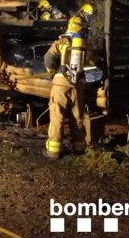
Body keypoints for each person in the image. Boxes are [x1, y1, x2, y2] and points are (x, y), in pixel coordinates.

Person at [43, 15, 88, 158]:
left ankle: (54, 150)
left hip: (60, 84)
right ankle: (79, 147)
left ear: (69, 24)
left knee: (57, 115)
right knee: (77, 116)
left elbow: (48, 59)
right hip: (77, 85)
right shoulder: (83, 44)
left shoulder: (61, 41)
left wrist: (51, 72)